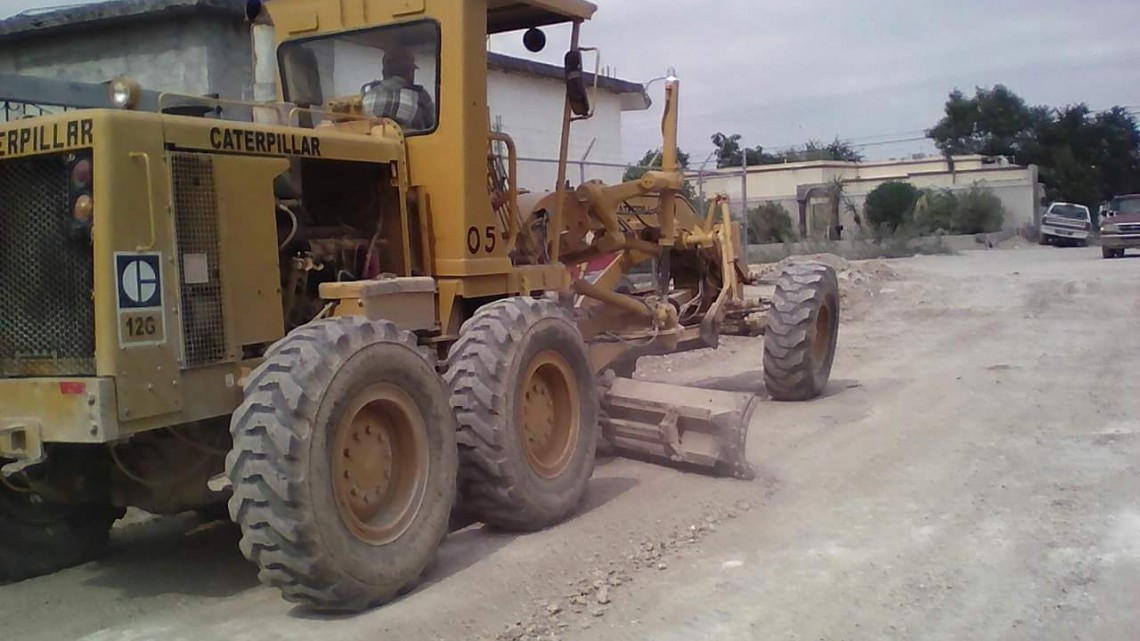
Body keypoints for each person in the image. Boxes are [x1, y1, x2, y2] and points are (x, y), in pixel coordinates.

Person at [362, 46, 436, 131]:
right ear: (409, 72)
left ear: (384, 71)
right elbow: (431, 126)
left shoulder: (366, 90)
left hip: (371, 140)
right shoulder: (421, 97)